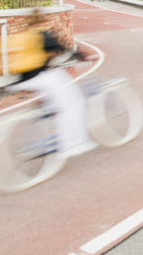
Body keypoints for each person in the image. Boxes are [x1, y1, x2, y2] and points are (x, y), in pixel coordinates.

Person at [8, 10, 95, 157]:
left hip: (21, 80)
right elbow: (64, 49)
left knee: (54, 99)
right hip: (39, 78)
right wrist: (84, 56)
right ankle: (70, 144)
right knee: (74, 103)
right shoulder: (42, 34)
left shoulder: (25, 36)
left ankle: (49, 119)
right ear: (42, 20)